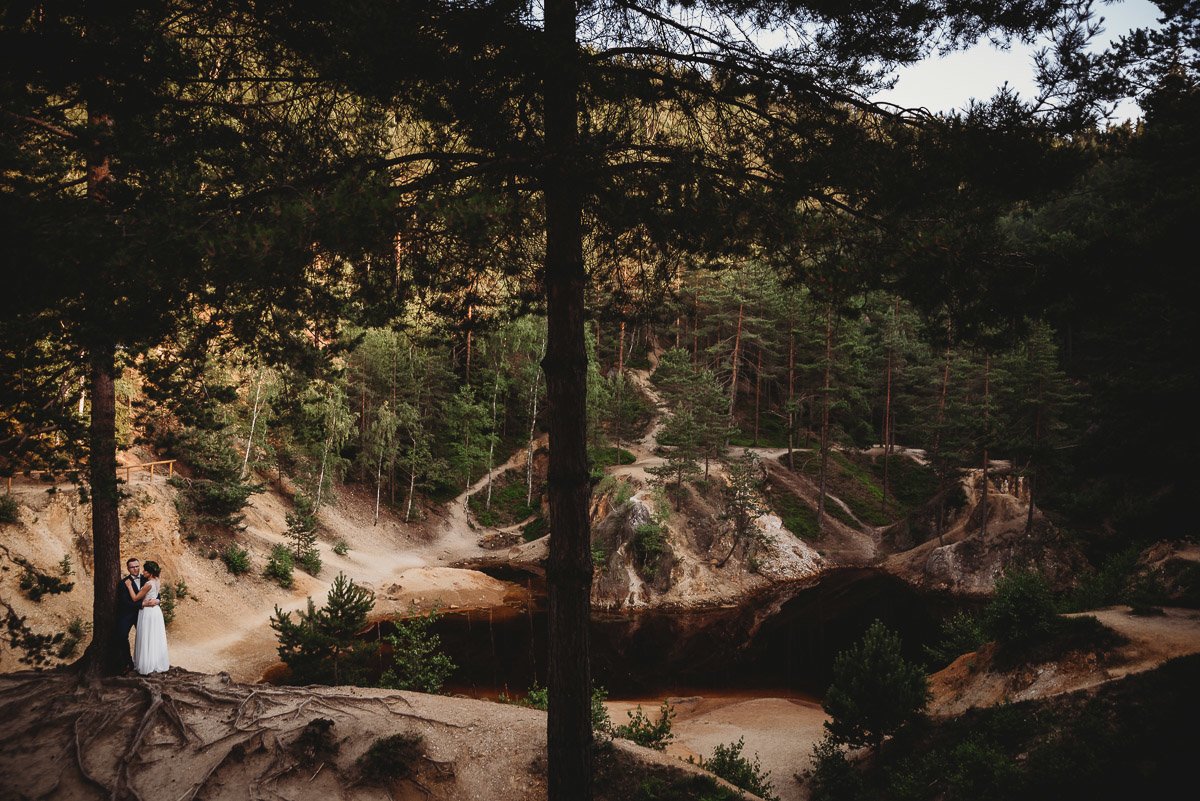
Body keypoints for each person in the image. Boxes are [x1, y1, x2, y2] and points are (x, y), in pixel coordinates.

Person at [115, 557, 158, 673]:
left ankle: (146, 663)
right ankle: (128, 663)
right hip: (128, 614)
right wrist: (142, 604)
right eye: (132, 567)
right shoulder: (123, 583)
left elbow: (156, 594)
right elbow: (124, 602)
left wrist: (158, 601)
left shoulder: (147, 579)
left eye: (137, 566)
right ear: (128, 569)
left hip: (144, 615)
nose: (135, 569)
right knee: (122, 636)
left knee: (146, 638)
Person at [127, 560, 170, 674]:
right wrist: (157, 600)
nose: (143, 571)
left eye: (145, 570)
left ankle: (146, 665)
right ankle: (154, 663)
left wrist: (129, 587)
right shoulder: (157, 581)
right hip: (155, 611)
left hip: (147, 612)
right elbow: (156, 595)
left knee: (146, 636)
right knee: (154, 637)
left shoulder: (148, 584)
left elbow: (135, 598)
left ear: (150, 573)